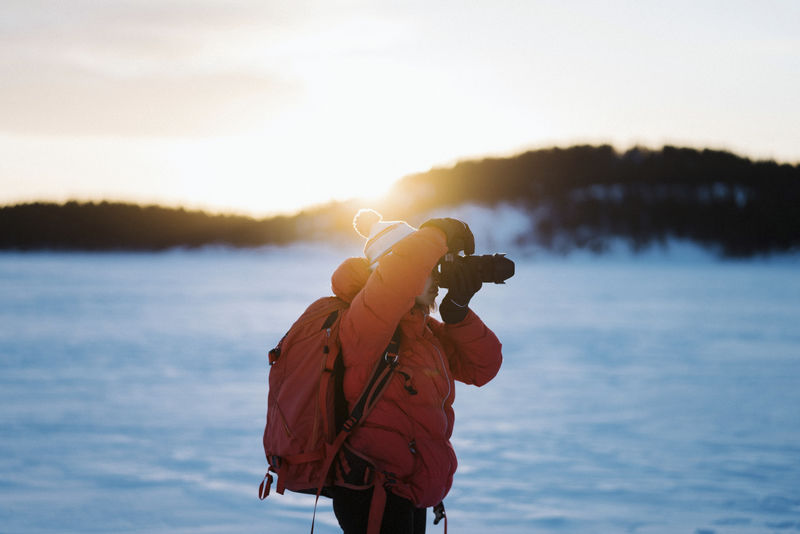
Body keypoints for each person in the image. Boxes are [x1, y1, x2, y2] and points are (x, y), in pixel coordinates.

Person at [329, 209, 503, 534]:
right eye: (430, 268)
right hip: (373, 492)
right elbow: (397, 279)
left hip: (410, 491)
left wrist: (458, 314)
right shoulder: (365, 322)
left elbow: (484, 367)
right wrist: (437, 233)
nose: (437, 277)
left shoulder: (423, 333)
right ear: (394, 268)